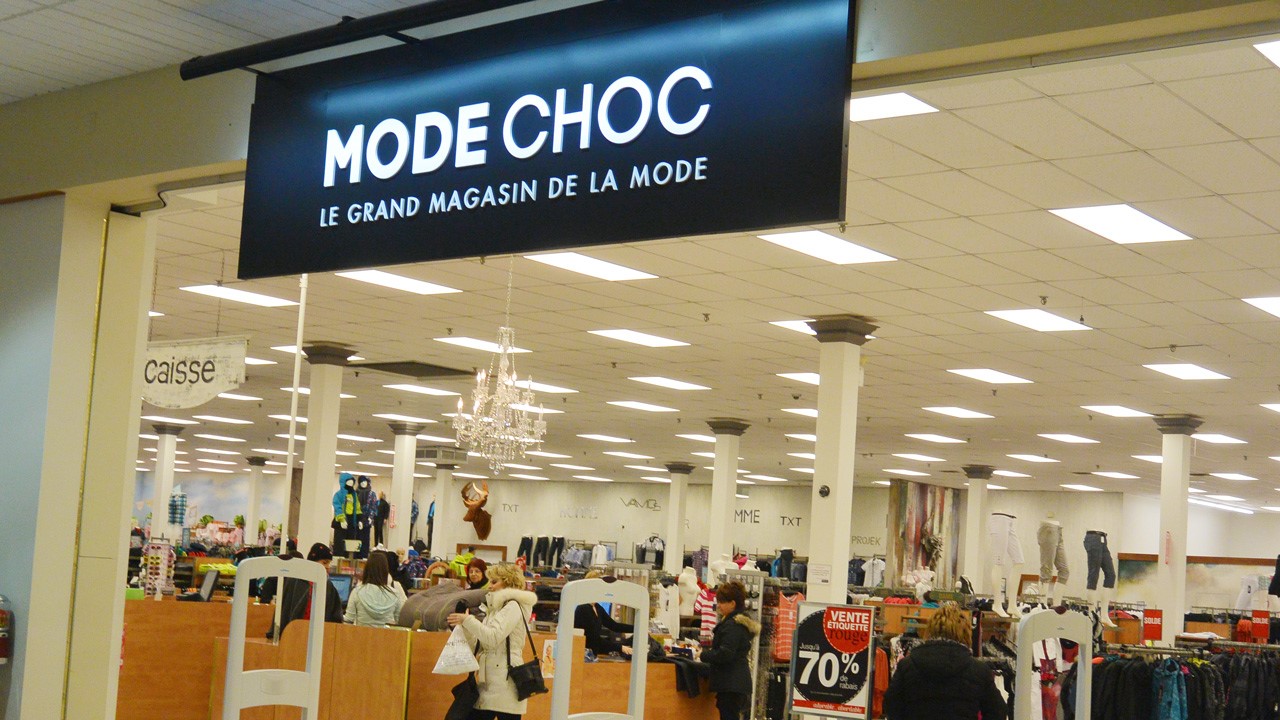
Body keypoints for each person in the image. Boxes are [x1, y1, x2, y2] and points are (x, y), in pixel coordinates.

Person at [883, 602, 1007, 720]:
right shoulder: (979, 671)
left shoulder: (907, 666)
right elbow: (998, 712)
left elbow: (891, 705)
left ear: (930, 630)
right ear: (965, 633)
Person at [446, 563, 538, 720]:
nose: (490, 586)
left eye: (494, 582)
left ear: (508, 582)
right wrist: (466, 627)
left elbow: (493, 637)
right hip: (490, 680)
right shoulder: (495, 609)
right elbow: (480, 645)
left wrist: (468, 620)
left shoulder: (513, 606)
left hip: (505, 680)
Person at [700, 580, 759, 720]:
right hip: (734, 683)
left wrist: (704, 655)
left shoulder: (733, 625)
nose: (719, 605)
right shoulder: (737, 623)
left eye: (722, 602)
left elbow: (726, 653)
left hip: (731, 683)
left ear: (732, 603)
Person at [270, 542, 345, 639]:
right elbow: (285, 609)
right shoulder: (296, 580)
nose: (328, 567)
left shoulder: (328, 586)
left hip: (319, 637)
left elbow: (335, 615)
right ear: (313, 562)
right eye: (324, 562)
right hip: (294, 635)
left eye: (329, 563)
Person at [572, 571, 634, 656]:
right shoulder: (582, 608)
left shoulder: (597, 608)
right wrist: (620, 648)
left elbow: (614, 626)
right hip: (581, 656)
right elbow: (593, 639)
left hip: (592, 655)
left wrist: (638, 628)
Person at [344, 551, 406, 626]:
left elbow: (348, 620)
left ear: (367, 569)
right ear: (385, 570)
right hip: (386, 633)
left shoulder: (357, 591)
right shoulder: (395, 594)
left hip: (361, 633)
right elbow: (400, 621)